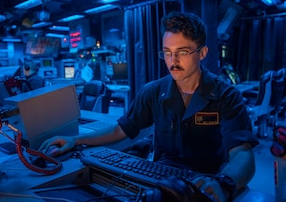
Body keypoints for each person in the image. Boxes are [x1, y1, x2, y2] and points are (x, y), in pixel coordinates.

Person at [39, 11, 259, 202]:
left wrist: (224, 184)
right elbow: (120, 130)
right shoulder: (153, 91)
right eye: (167, 52)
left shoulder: (226, 95)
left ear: (202, 53)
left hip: (205, 183)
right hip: (161, 179)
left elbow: (243, 154)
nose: (172, 61)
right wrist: (75, 140)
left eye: (182, 52)